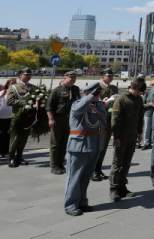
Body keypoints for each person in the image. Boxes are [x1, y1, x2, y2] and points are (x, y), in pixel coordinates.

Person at [64, 81, 107, 216]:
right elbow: (78, 109)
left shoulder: (99, 105)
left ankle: (82, 201)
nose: (98, 95)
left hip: (94, 145)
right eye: (95, 93)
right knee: (74, 177)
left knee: (86, 177)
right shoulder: (77, 104)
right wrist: (89, 98)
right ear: (87, 93)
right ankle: (71, 205)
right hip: (79, 146)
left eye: (98, 93)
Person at [109, 79, 145, 202]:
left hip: (132, 136)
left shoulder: (139, 100)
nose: (141, 94)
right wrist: (116, 137)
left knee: (126, 163)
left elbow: (140, 117)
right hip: (122, 136)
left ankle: (122, 187)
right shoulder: (121, 99)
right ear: (134, 88)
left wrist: (140, 133)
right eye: (140, 91)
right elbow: (115, 120)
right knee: (117, 163)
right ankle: (113, 189)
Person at [46, 71, 81, 175]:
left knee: (65, 143)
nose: (73, 79)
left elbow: (78, 102)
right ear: (65, 78)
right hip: (58, 119)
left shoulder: (75, 89)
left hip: (70, 120)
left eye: (74, 77)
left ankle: (60, 163)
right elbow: (49, 106)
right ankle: (54, 165)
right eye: (71, 77)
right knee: (55, 143)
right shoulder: (57, 90)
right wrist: (51, 119)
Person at [92, 68, 118, 182]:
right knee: (96, 146)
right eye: (109, 76)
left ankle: (98, 169)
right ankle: (92, 170)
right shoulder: (97, 87)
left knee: (104, 146)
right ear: (102, 76)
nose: (111, 78)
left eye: (112, 76)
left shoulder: (114, 88)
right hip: (98, 119)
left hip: (109, 119)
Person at [6, 68, 34, 167]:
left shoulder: (33, 87)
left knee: (24, 137)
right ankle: (11, 158)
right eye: (26, 75)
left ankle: (19, 157)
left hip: (28, 116)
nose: (28, 76)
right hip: (17, 116)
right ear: (20, 75)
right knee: (15, 137)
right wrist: (24, 102)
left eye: (29, 75)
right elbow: (9, 101)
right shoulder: (14, 87)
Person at [0, 78, 16, 159]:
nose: (13, 84)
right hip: (1, 117)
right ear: (7, 84)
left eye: (14, 83)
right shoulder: (2, 93)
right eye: (11, 83)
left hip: (11, 117)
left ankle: (5, 152)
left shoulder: (16, 93)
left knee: (8, 135)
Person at [141, 80, 154, 150]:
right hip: (148, 113)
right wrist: (148, 104)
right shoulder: (147, 93)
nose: (153, 86)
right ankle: (146, 143)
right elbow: (142, 105)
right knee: (147, 129)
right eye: (152, 84)